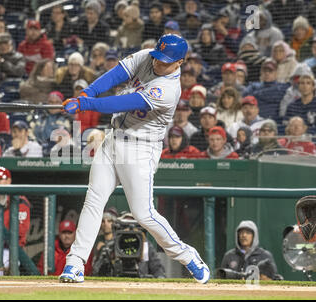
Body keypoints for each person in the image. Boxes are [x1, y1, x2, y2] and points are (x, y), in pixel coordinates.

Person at [59, 34, 210, 284]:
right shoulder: (149, 56)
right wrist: (85, 93)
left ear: (180, 62)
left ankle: (186, 255)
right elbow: (114, 76)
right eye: (158, 57)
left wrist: (87, 104)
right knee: (93, 200)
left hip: (140, 150)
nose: (158, 63)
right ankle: (75, 263)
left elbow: (126, 101)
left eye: (165, 61)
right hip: (114, 139)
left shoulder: (169, 89)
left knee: (144, 214)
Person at [92, 212, 166, 278]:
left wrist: (160, 277)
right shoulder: (112, 244)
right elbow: (97, 271)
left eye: (133, 226)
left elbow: (157, 268)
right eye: (125, 226)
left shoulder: (145, 245)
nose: (130, 229)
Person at [242, 58, 290, 122]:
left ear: (276, 73)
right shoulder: (253, 86)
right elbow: (245, 99)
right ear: (261, 72)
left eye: (270, 71)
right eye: (265, 71)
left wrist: (257, 94)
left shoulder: (283, 87)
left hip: (276, 122)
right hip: (255, 121)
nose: (267, 73)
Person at [31, 91, 72, 157]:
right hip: (36, 149)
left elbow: (63, 139)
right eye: (51, 102)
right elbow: (31, 133)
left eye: (56, 102)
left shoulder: (66, 119)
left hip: (57, 152)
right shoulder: (41, 117)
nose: (53, 105)